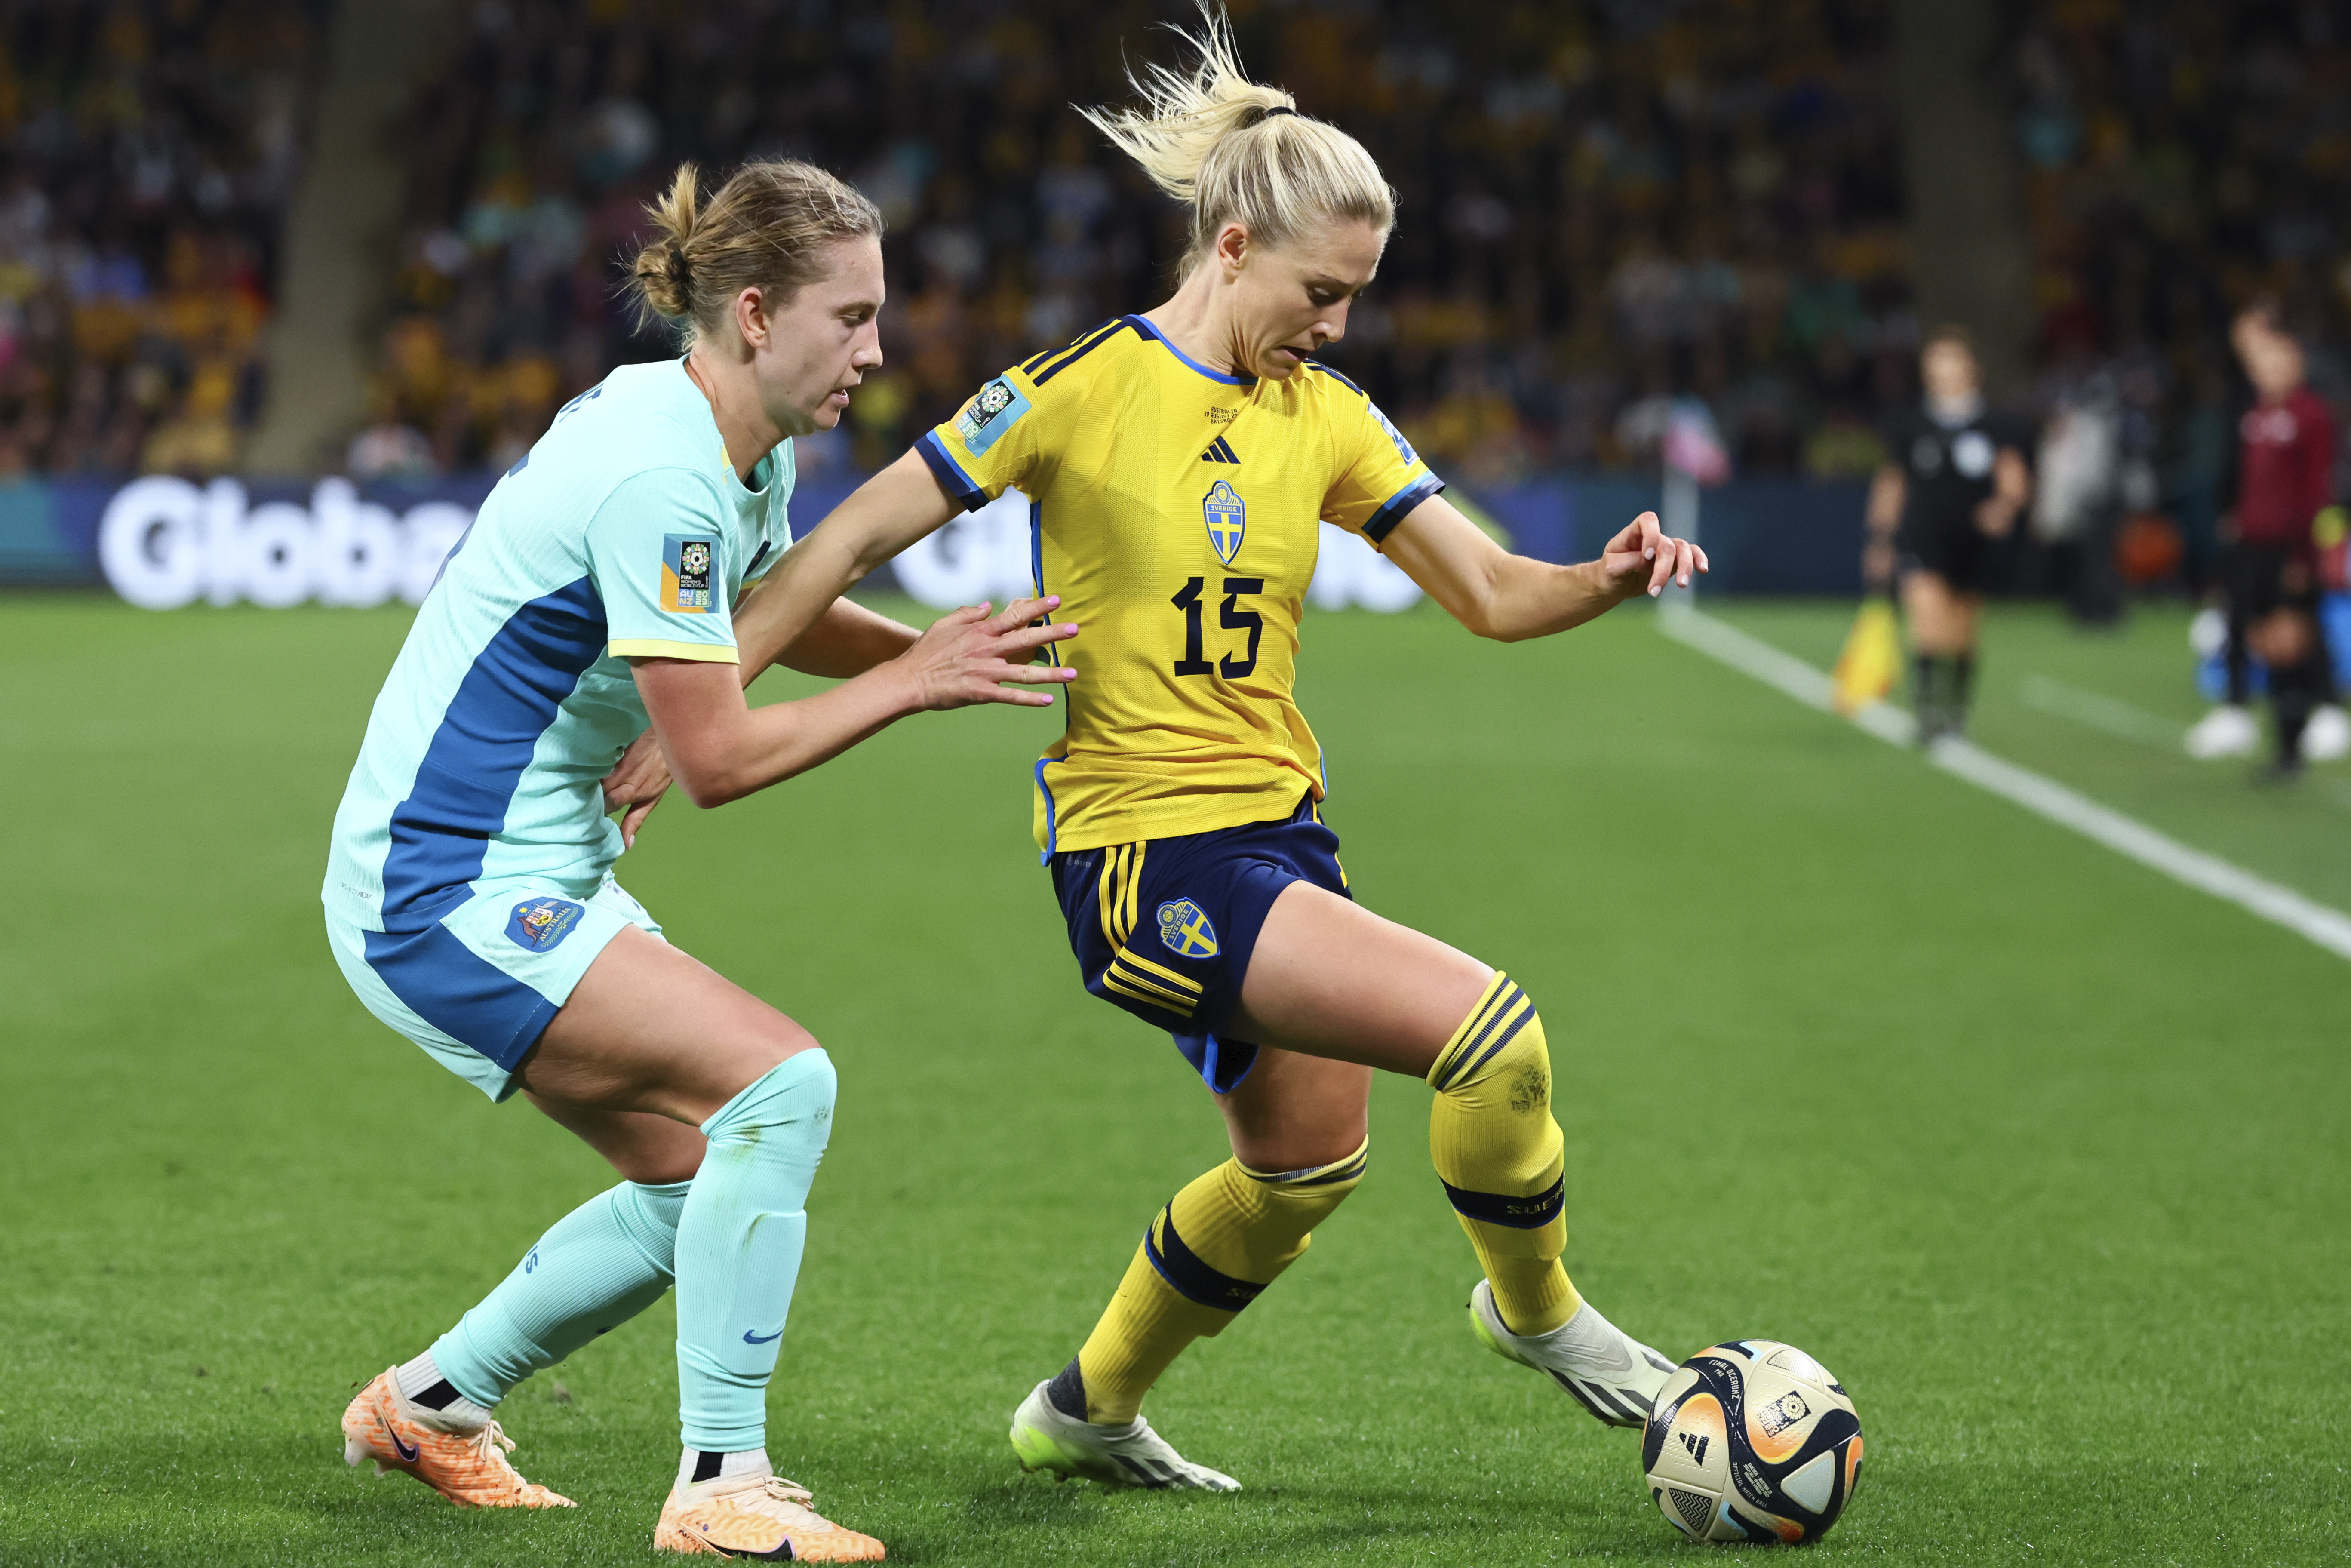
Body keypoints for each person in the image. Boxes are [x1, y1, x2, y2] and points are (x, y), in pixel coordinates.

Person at [605, 5, 1706, 1493]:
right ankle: (1540, 1315)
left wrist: (1604, 577)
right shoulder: (1076, 390)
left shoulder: (1325, 415)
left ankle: (1085, 1408)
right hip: (1140, 854)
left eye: (1357, 298)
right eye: (1323, 291)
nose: (1337, 326)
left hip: (1276, 836)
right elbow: (845, 539)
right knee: (1488, 1032)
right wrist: (698, 716)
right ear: (1234, 247)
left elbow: (1496, 590)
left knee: (1302, 1168)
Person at [321, 159, 1076, 1558]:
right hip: (440, 888)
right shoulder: (663, 473)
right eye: (849, 317)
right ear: (750, 312)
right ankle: (720, 1481)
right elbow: (719, 755)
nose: (875, 350)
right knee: (777, 1085)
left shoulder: (733, 441)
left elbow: (755, 608)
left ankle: (430, 1405)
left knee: (699, 1179)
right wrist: (914, 683)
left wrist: (917, 645)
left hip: (524, 859)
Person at [2183, 301, 2348, 774]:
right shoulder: (2253, 413)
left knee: (2293, 637)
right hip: (2249, 544)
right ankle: (2278, 735)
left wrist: (2306, 552)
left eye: (2277, 359)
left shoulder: (2311, 415)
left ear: (2296, 360)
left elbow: (2318, 491)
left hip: (2288, 548)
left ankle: (2302, 734)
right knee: (2259, 636)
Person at [1862, 326, 2032, 744]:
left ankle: (1955, 710)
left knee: (1961, 633)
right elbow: (1892, 482)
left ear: (1971, 369)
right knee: (1926, 620)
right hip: (1924, 536)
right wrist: (1880, 536)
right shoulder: (1911, 422)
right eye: (1935, 361)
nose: (1942, 370)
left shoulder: (1996, 423)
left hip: (1973, 542)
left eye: (1951, 360)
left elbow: (2013, 476)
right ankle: (1927, 714)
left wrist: (2005, 506)